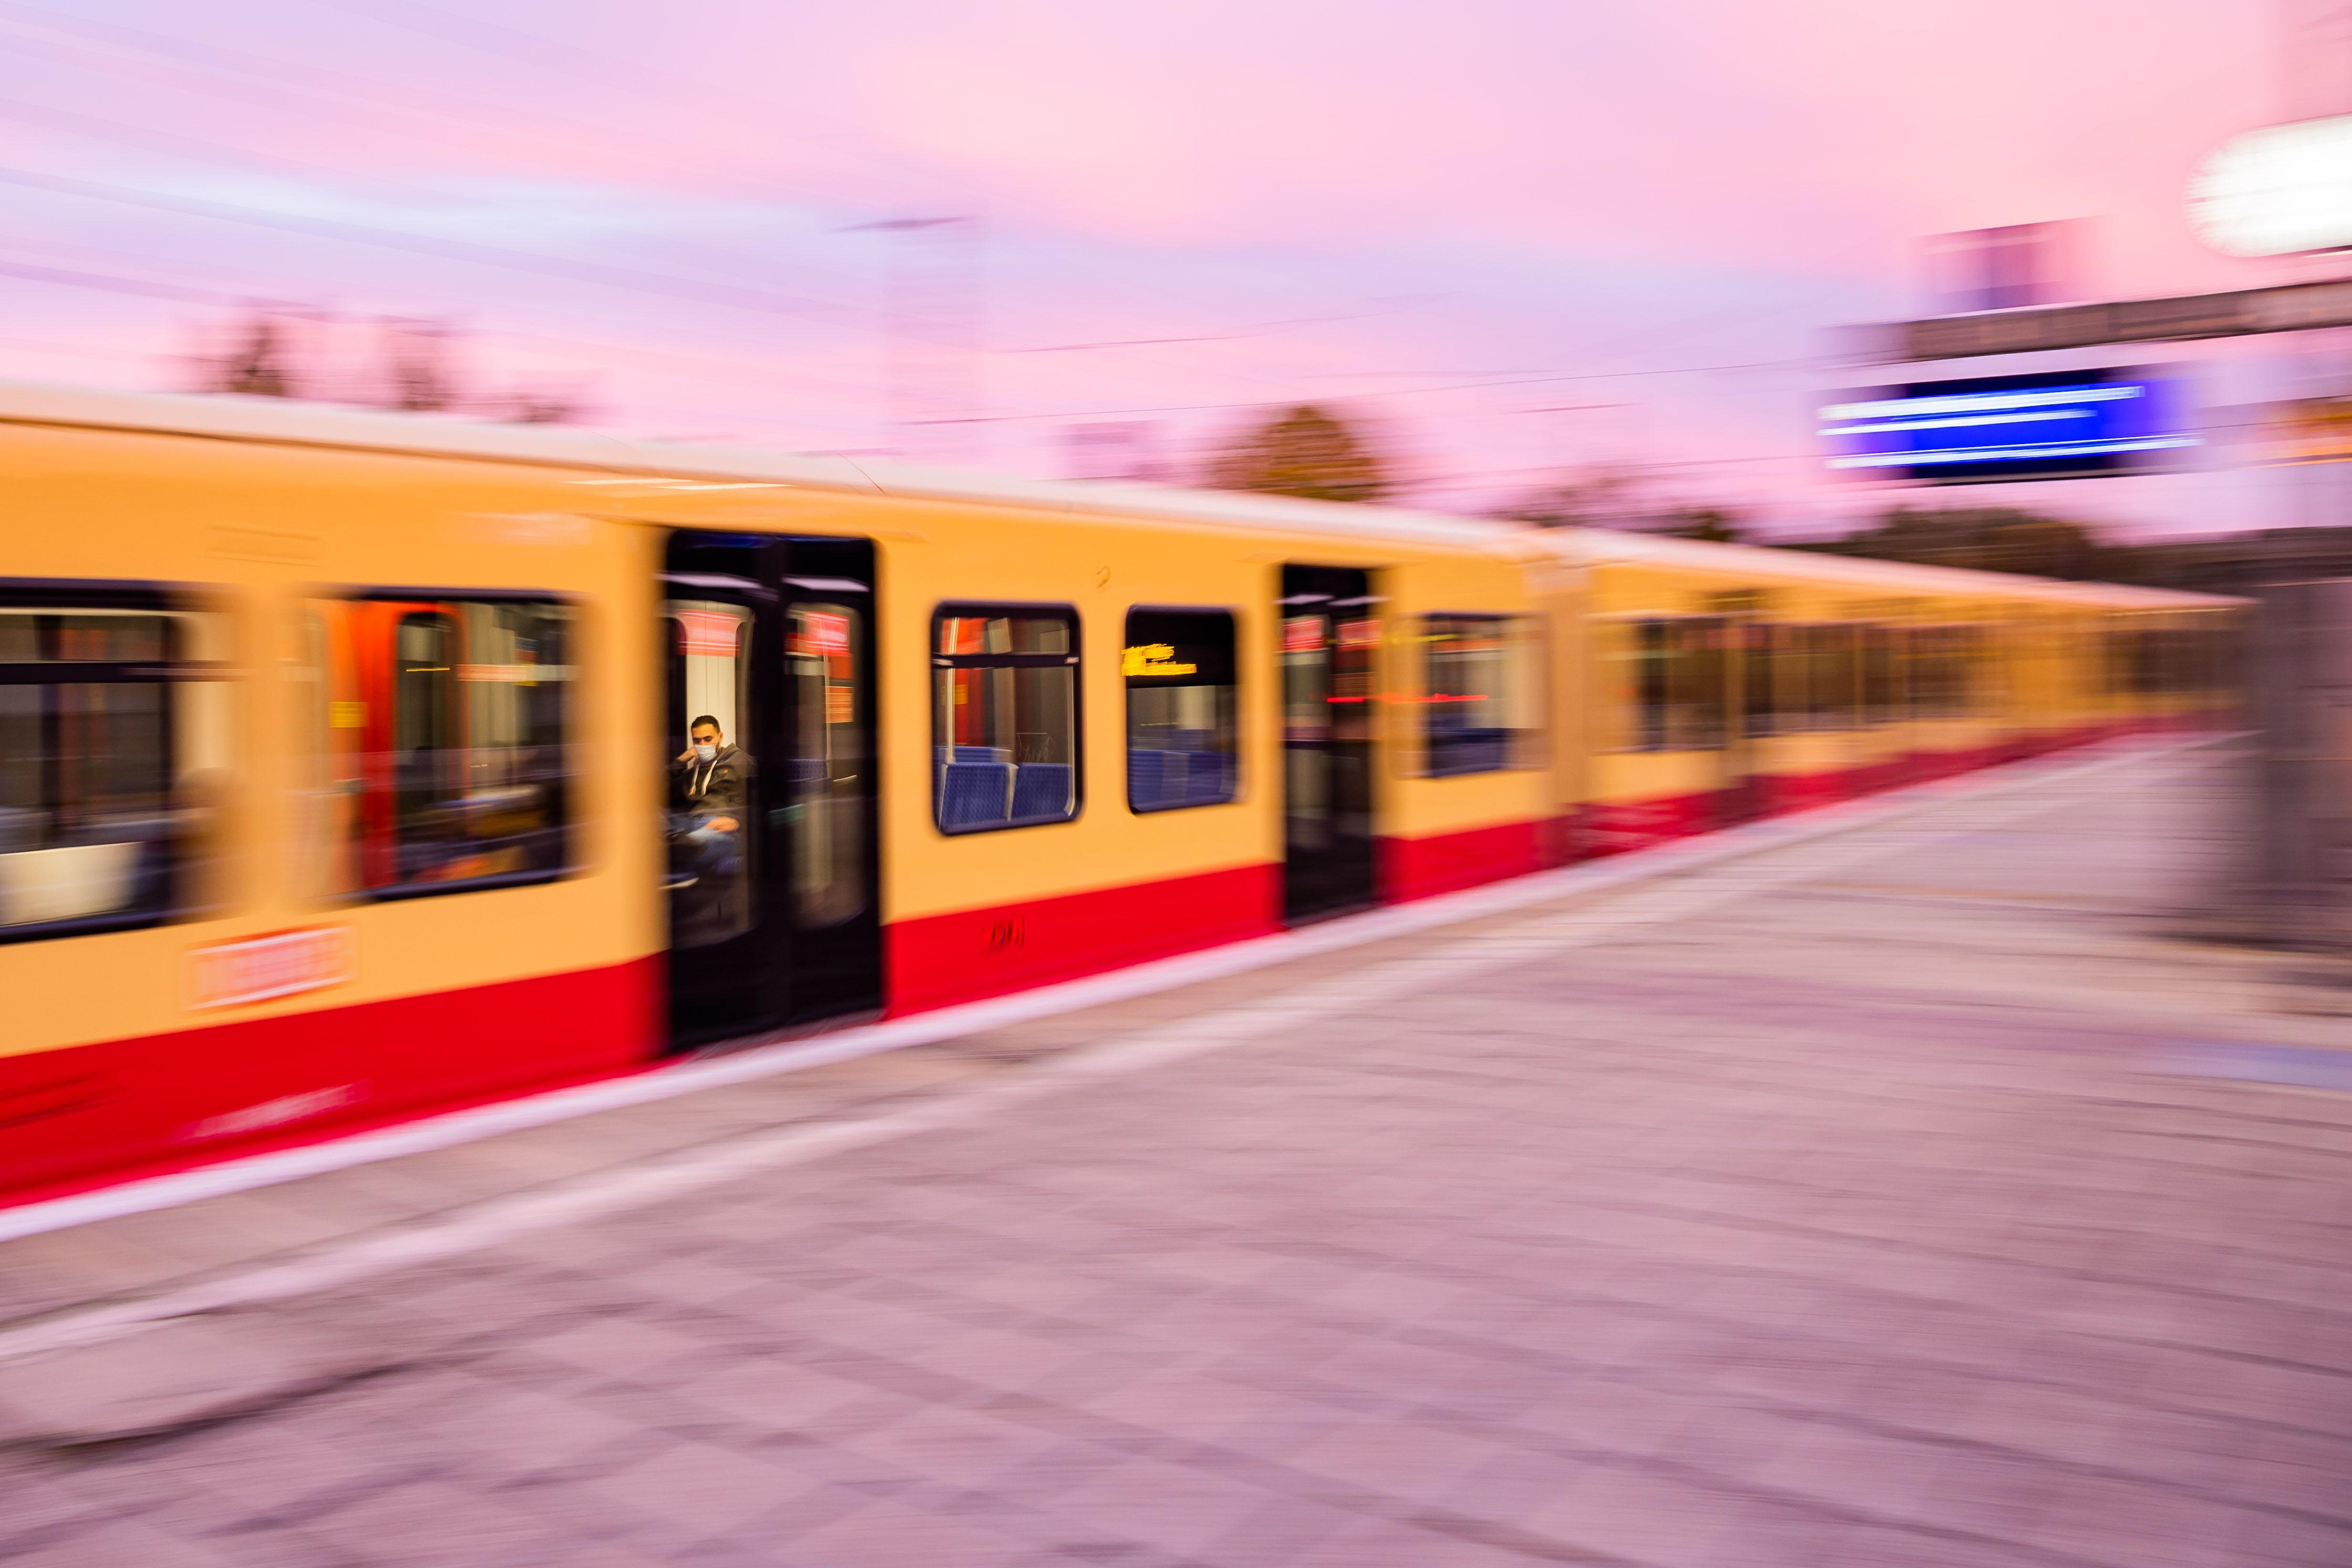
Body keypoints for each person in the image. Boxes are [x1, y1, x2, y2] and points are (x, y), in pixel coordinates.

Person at [671, 716, 747, 833]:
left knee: (690, 845)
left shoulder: (737, 761)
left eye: (708, 739)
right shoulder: (692, 774)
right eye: (697, 741)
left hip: (719, 824)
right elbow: (654, 793)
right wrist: (681, 760)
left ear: (720, 737)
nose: (703, 745)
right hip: (690, 823)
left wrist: (738, 821)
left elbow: (759, 796)